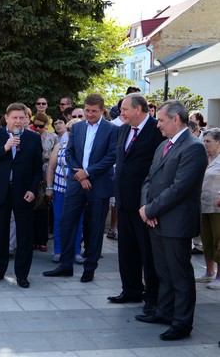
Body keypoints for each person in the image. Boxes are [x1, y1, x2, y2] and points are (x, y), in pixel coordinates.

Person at [136, 100, 208, 341]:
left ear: (176, 119)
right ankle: (164, 312)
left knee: (180, 275)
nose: (158, 125)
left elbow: (180, 188)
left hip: (176, 223)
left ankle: (182, 323)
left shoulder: (194, 147)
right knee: (163, 271)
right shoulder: (163, 145)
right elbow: (149, 178)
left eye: (161, 120)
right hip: (156, 219)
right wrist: (146, 208)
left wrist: (151, 210)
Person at [43, 93, 117, 283]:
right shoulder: (76, 128)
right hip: (76, 183)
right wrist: (80, 175)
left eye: (93, 111)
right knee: (67, 223)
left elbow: (111, 157)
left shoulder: (111, 130)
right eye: (87, 110)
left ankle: (89, 268)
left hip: (98, 184)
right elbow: (69, 154)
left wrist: (88, 173)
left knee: (94, 227)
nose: (89, 114)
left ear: (102, 110)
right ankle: (65, 265)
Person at [107, 93, 164, 316]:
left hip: (144, 204)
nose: (121, 113)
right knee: (126, 250)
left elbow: (158, 169)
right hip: (123, 201)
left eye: (124, 109)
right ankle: (131, 289)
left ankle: (152, 297)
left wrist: (150, 203)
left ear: (139, 109)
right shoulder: (122, 130)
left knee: (147, 253)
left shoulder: (156, 130)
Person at [0, 102, 43, 288]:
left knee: (25, 234)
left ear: (26, 118)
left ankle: (22, 274)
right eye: (14, 117)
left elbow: (37, 169)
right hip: (0, 190)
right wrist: (5, 148)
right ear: (6, 118)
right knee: (0, 232)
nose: (18, 121)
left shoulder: (33, 138)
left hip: (23, 192)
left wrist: (33, 190)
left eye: (21, 118)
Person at [46, 118, 83, 264]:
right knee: (59, 220)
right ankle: (58, 250)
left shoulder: (84, 147)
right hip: (60, 189)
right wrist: (49, 187)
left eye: (74, 129)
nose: (71, 132)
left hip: (77, 190)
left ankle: (76, 251)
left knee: (78, 221)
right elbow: (51, 168)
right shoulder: (59, 146)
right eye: (69, 129)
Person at [195, 128, 220, 289]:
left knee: (219, 241)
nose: (205, 144)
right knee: (207, 240)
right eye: (204, 141)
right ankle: (209, 273)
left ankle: (219, 276)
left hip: (217, 207)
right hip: (203, 206)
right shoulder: (205, 159)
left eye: (208, 141)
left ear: (218, 142)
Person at [31, 112, 57, 252]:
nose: (38, 128)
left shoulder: (52, 137)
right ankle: (33, 239)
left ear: (46, 125)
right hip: (34, 170)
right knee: (32, 205)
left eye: (41, 126)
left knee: (44, 205)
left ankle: (42, 239)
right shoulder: (30, 135)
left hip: (47, 170)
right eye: (35, 125)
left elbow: (56, 154)